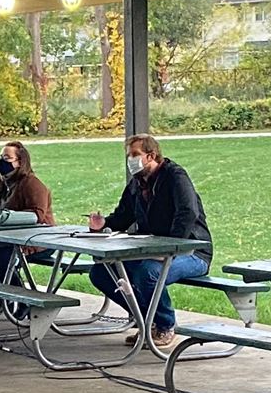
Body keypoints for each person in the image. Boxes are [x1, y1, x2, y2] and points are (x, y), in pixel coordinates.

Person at [85, 134, 211, 350]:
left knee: (149, 273)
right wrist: (103, 223)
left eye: (135, 155)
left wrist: (172, 247)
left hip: (192, 252)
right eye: (129, 156)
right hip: (152, 251)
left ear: (151, 155)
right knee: (101, 273)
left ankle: (165, 325)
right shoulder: (137, 184)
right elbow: (123, 216)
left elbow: (187, 213)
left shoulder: (175, 177)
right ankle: (146, 321)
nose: (130, 160)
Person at [0, 140, 51, 290]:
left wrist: (7, 216)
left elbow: (37, 214)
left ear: (20, 162)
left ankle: (21, 299)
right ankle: (4, 297)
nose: (2, 162)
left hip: (35, 240)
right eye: (1, 157)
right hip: (4, 238)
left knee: (1, 261)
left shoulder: (31, 184)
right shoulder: (0, 182)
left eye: (7, 158)